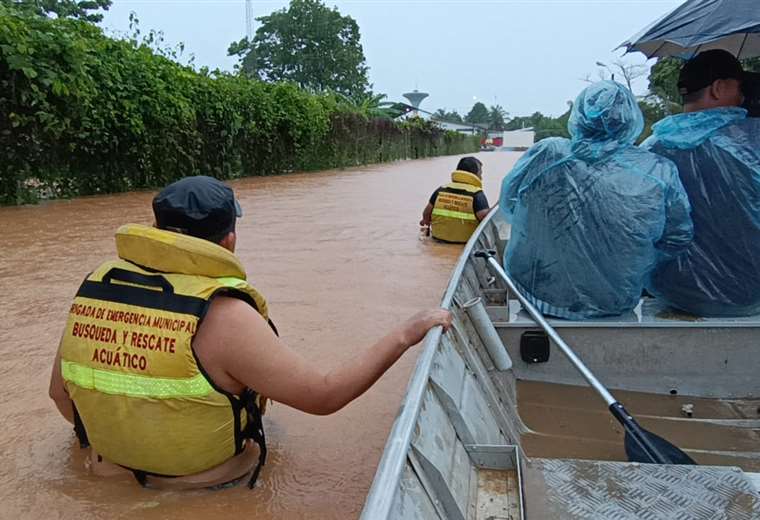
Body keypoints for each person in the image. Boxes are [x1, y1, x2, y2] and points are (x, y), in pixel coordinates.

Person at [48, 175, 451, 490]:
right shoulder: (225, 315)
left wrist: (128, 441)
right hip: (206, 488)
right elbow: (326, 395)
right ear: (229, 240)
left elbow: (60, 395)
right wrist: (407, 332)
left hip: (107, 474)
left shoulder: (97, 289)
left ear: (156, 229)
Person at [499, 81, 693, 320]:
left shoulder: (548, 153)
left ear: (579, 116)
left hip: (539, 300)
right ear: (630, 120)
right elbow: (676, 239)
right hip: (617, 302)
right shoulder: (658, 169)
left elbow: (509, 206)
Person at [643, 50, 760, 317]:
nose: (744, 97)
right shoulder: (750, 145)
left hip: (673, 293)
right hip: (750, 296)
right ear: (718, 88)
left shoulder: (651, 149)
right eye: (740, 87)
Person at [420, 156, 490, 243]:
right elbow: (486, 220)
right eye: (480, 174)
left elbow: (426, 214)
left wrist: (425, 222)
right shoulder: (476, 194)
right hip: (463, 246)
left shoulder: (441, 190)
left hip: (437, 241)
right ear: (474, 174)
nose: (481, 178)